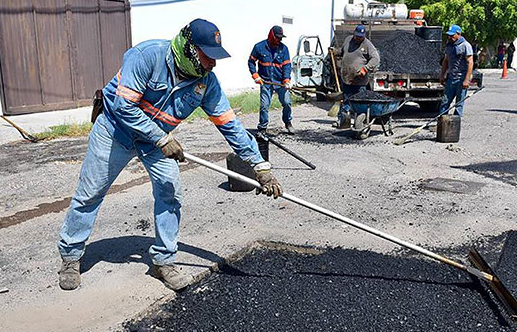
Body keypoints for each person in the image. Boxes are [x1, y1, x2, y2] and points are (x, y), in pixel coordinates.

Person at [57, 19, 282, 292]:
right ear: (189, 49)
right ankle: (71, 255)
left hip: (157, 141)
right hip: (116, 131)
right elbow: (123, 106)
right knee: (91, 191)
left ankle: (164, 260)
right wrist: (161, 137)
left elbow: (229, 124)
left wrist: (259, 164)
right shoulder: (146, 56)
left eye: (216, 57)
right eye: (207, 56)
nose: (213, 64)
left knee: (169, 191)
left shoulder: (206, 83)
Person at [248, 26, 295, 134]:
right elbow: (251, 61)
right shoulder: (259, 47)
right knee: (264, 106)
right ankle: (262, 128)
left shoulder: (284, 49)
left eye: (281, 38)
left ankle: (288, 122)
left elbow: (287, 66)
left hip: (280, 82)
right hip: (265, 81)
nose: (280, 40)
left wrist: (286, 80)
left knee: (287, 102)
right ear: (272, 36)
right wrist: (255, 75)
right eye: (278, 37)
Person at [334, 25, 380, 128]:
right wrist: (335, 51)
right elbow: (342, 52)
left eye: (361, 36)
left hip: (359, 81)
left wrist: (365, 68)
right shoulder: (348, 40)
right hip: (346, 78)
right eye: (357, 36)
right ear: (354, 33)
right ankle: (343, 121)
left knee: (359, 103)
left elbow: (376, 59)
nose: (359, 38)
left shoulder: (367, 45)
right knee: (346, 100)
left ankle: (359, 121)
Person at [440, 25, 473, 117]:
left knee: (459, 104)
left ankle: (455, 125)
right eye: (449, 35)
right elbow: (446, 61)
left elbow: (470, 63)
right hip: (451, 78)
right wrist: (442, 75)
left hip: (461, 79)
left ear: (458, 34)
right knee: (445, 102)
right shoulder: (449, 46)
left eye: (452, 35)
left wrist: (466, 80)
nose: (450, 37)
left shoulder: (466, 45)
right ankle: (441, 122)